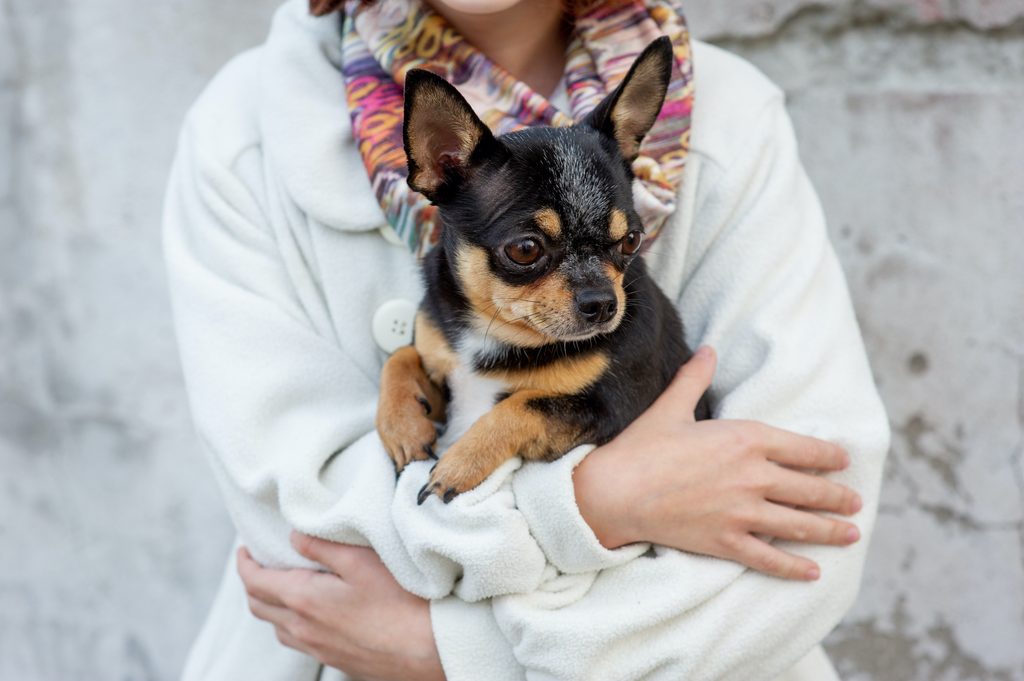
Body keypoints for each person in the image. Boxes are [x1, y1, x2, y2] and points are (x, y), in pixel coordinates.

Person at [162, 0, 890, 679]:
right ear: (435, 159)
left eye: (620, 248)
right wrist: (600, 503)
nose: (598, 294)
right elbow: (305, 540)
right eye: (525, 254)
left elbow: (814, 529)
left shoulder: (732, 121)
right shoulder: (243, 131)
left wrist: (452, 652)